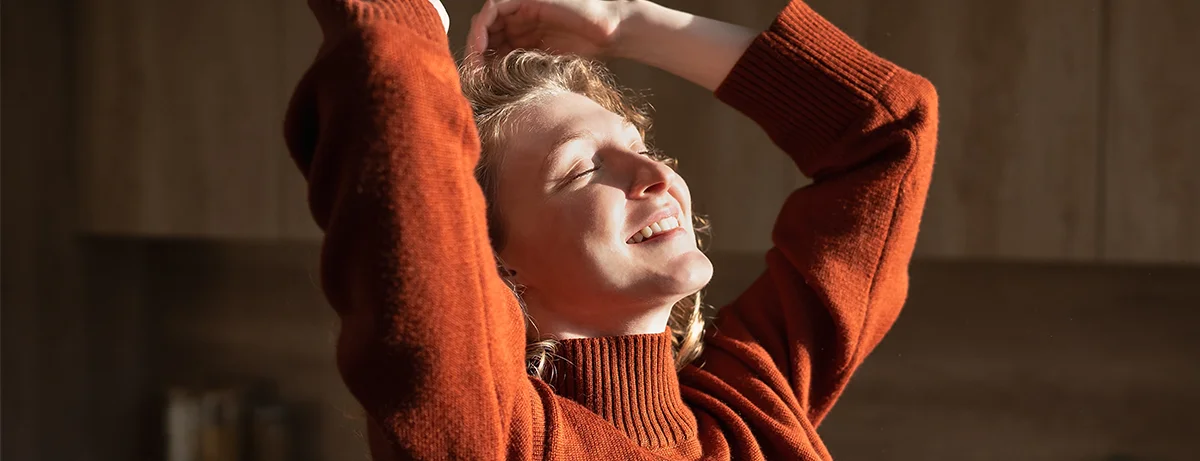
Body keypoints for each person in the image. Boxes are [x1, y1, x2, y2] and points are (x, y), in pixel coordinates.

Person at [283, 0, 938, 458]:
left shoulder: (751, 408)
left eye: (643, 146)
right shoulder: (500, 435)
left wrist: (630, 25)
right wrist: (405, 19)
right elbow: (402, 132)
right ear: (497, 263)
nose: (653, 174)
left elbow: (887, 130)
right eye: (579, 170)